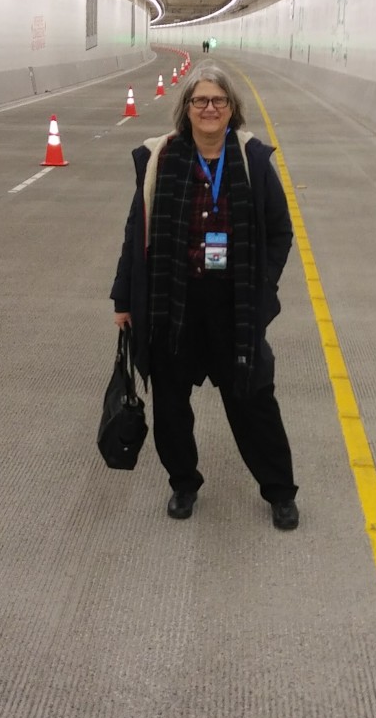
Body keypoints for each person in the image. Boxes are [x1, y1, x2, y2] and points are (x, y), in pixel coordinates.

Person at [111, 66, 299, 529]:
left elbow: (279, 231)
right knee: (171, 403)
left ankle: (279, 491)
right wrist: (123, 299)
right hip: (172, 301)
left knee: (252, 399)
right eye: (200, 101)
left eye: (218, 101)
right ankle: (183, 483)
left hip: (233, 303)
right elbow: (138, 232)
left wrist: (263, 286)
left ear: (232, 109)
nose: (209, 109)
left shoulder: (253, 161)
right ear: (187, 110)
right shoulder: (162, 158)